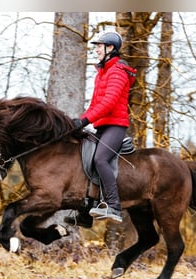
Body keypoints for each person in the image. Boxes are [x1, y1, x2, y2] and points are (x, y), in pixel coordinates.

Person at [71, 31, 136, 224]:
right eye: (96, 46)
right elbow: (94, 104)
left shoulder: (117, 71)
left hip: (115, 125)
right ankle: (87, 212)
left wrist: (85, 121)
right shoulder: (102, 73)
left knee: (100, 159)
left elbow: (109, 102)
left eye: (99, 46)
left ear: (110, 48)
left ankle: (114, 206)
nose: (96, 49)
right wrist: (79, 121)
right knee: (85, 158)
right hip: (102, 125)